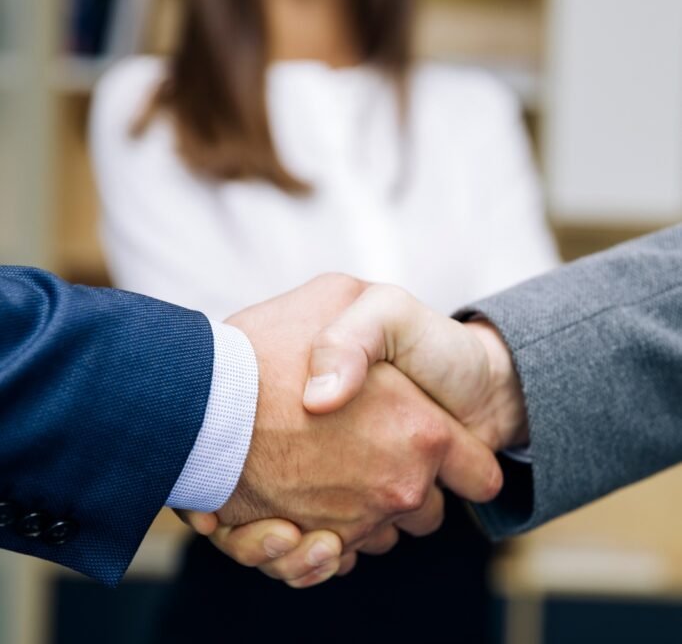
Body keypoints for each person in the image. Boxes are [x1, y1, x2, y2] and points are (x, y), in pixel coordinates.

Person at [90, 0, 558, 644]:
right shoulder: (146, 106)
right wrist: (453, 370)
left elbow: (533, 374)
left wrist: (463, 383)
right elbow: (219, 395)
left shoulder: (470, 111)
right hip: (250, 622)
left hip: (439, 639)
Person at [220, 226, 682, 585]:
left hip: (450, 528)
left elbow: (524, 272)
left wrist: (494, 381)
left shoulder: (476, 107)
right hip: (252, 545)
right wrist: (218, 435)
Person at [0, 267, 493, 584]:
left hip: (451, 540)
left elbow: (516, 281)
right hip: (251, 552)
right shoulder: (156, 107)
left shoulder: (476, 106)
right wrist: (229, 410)